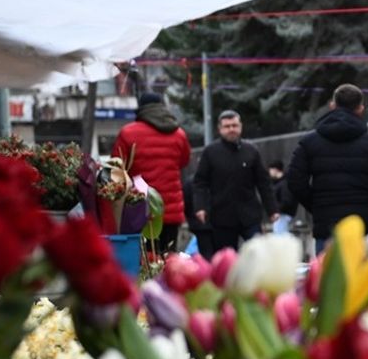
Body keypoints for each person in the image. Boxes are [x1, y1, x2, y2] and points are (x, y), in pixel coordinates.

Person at [286, 84, 368, 251]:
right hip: (364, 225)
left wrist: (317, 205)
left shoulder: (309, 142)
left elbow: (295, 181)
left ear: (332, 105)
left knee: (329, 274)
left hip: (327, 226)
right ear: (360, 108)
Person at [110, 92, 191, 253]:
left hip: (140, 208)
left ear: (140, 109)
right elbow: (184, 161)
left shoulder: (127, 133)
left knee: (144, 261)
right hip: (171, 209)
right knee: (168, 259)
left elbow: (116, 168)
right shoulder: (179, 134)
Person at [192, 110, 278, 253]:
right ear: (220, 129)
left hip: (249, 215)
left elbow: (263, 183)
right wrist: (200, 207)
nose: (231, 129)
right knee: (227, 260)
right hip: (221, 217)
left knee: (258, 254)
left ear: (240, 127)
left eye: (234, 125)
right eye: (227, 126)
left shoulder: (251, 151)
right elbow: (200, 182)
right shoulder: (210, 152)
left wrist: (272, 209)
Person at [182, 174, 213, 259]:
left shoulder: (190, 182)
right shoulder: (219, 179)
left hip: (199, 226)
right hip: (219, 226)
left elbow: (186, 205)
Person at [267, 159, 297, 235]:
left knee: (280, 237)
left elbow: (287, 201)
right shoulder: (279, 183)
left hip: (283, 215)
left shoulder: (284, 183)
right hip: (280, 215)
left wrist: (276, 211)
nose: (269, 172)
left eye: (270, 169)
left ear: (275, 170)